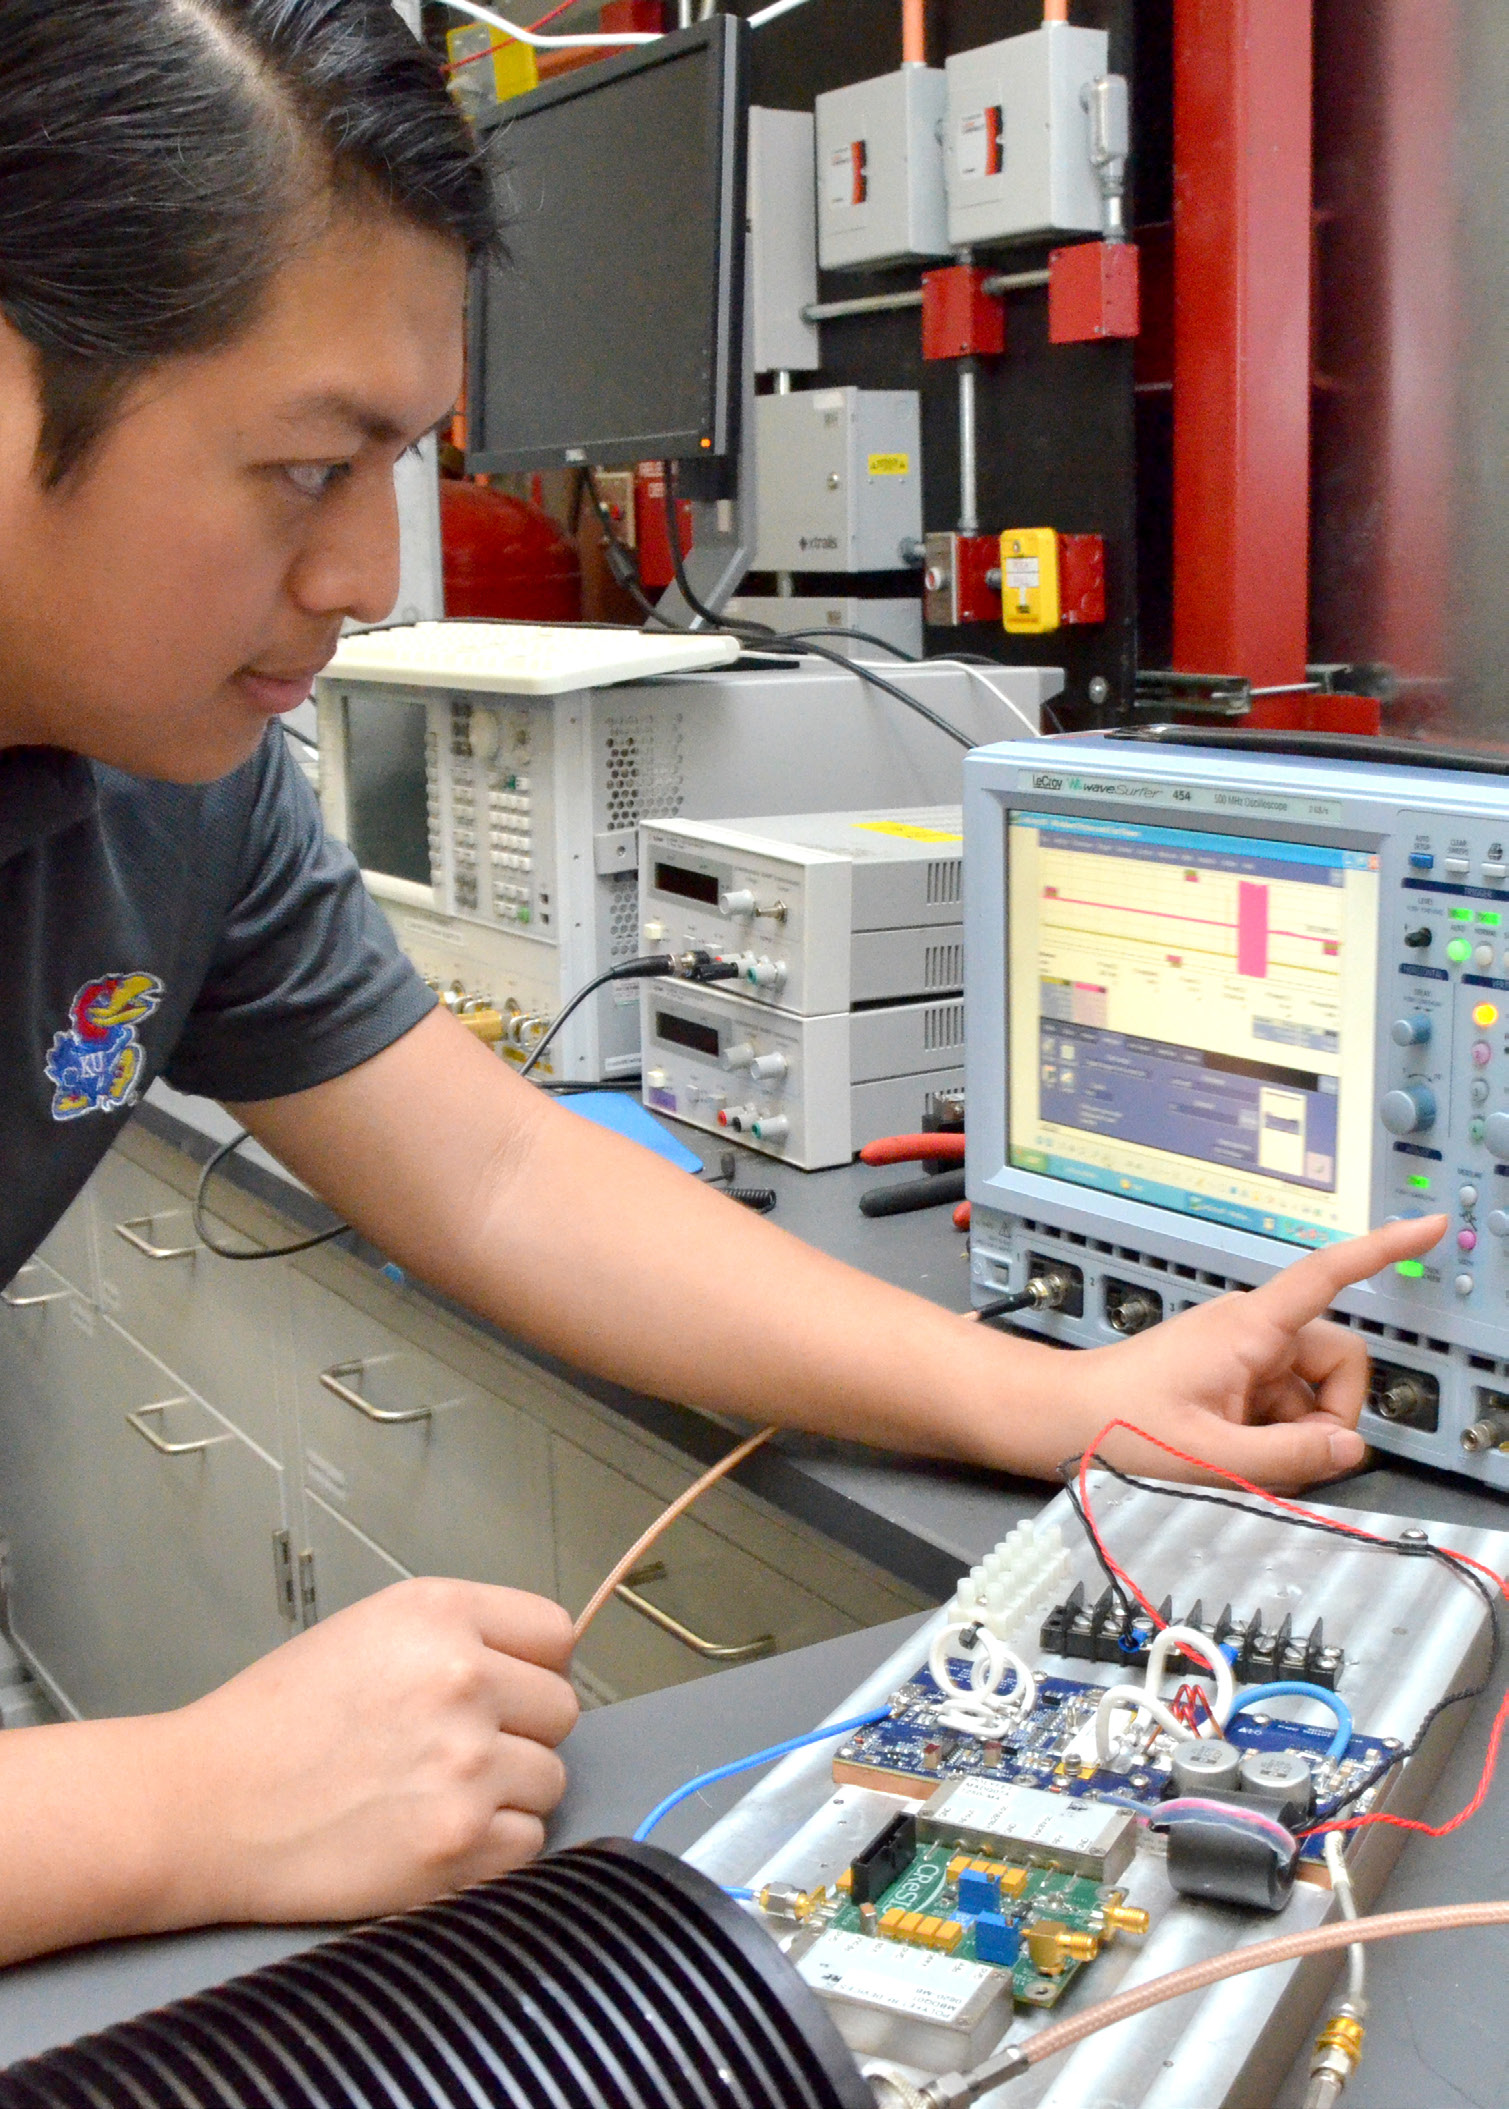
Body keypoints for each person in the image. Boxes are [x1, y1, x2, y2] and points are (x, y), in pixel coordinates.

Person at [0, 0, 1441, 1970]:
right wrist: (168, 1809)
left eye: (397, 464)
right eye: (306, 466)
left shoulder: (179, 787)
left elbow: (495, 1172)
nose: (364, 570)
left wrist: (1055, 1400)